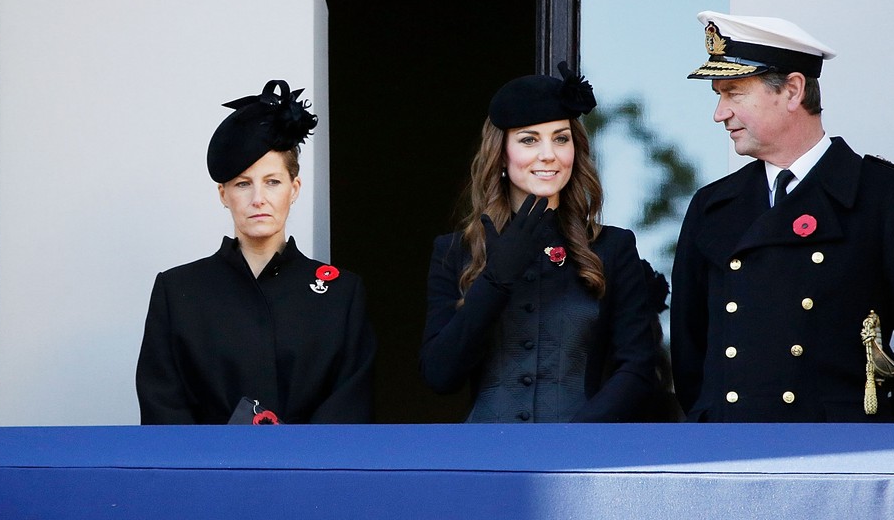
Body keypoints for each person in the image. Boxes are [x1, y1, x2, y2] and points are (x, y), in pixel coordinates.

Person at [671, 11, 894, 423]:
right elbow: (690, 356)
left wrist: (893, 455)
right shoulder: (713, 206)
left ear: (792, 91)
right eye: (718, 96)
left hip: (839, 459)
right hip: (731, 452)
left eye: (734, 93)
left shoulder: (887, 199)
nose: (719, 113)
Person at [421, 62, 667, 422]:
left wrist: (573, 440)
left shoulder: (612, 247)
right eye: (529, 139)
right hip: (488, 460)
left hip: (579, 459)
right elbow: (439, 375)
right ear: (502, 154)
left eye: (561, 138)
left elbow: (636, 368)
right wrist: (495, 279)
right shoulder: (455, 251)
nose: (548, 154)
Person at [135, 80, 375, 424]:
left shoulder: (341, 295)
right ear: (223, 194)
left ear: (294, 189)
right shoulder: (178, 291)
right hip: (206, 475)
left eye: (272, 182)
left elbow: (349, 412)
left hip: (309, 476)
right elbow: (164, 410)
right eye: (243, 184)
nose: (258, 198)